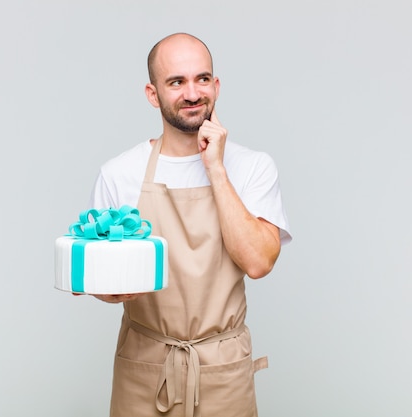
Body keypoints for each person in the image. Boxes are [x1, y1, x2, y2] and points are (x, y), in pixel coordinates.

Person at [87, 32, 291, 417]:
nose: (192, 93)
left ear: (216, 86)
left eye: (202, 79)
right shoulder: (119, 173)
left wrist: (215, 167)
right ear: (153, 94)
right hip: (146, 364)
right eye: (176, 81)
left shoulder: (252, 167)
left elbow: (259, 262)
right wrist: (105, 291)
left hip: (222, 369)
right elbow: (101, 272)